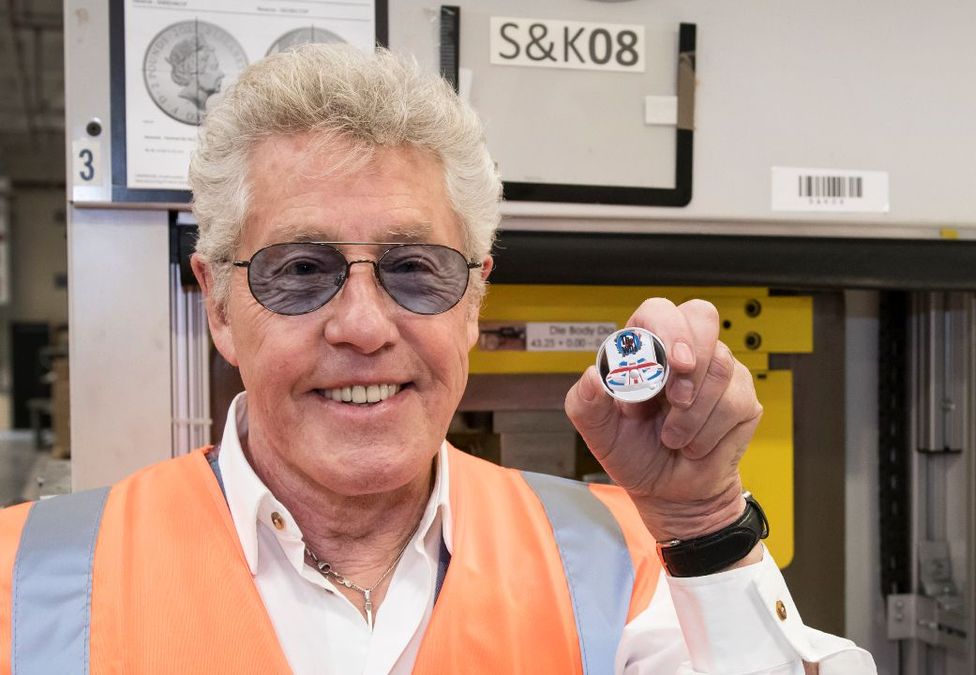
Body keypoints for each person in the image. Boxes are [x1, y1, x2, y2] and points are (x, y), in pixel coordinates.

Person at [0, 45, 876, 674]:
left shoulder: (626, 564)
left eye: (415, 269)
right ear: (219, 305)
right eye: (301, 271)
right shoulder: (24, 584)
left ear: (474, 301)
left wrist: (704, 521)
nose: (363, 325)